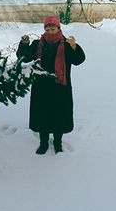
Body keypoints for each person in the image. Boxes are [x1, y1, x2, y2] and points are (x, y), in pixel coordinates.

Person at [17, 15, 85, 154]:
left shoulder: (66, 44)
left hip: (60, 87)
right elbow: (24, 58)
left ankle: (58, 142)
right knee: (43, 115)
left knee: (59, 115)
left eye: (53, 28)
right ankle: (43, 143)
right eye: (47, 28)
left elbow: (79, 60)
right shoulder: (37, 44)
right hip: (41, 87)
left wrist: (74, 47)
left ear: (58, 28)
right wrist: (24, 44)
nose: (50, 31)